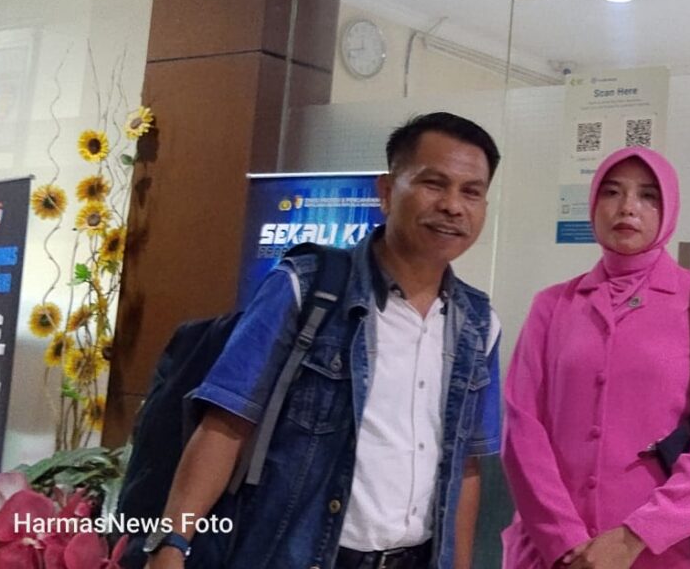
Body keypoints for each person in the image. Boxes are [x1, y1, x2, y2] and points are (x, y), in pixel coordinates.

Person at [145, 112, 503, 569]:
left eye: (471, 192)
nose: (453, 206)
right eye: (434, 184)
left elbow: (466, 465)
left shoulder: (479, 323)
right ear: (387, 192)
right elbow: (226, 424)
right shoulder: (305, 287)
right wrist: (171, 544)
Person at [501, 147, 690, 569]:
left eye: (648, 195)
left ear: (669, 209)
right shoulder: (553, 304)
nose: (627, 207)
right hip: (548, 555)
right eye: (612, 192)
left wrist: (632, 538)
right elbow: (521, 430)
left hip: (664, 554)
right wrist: (565, 543)